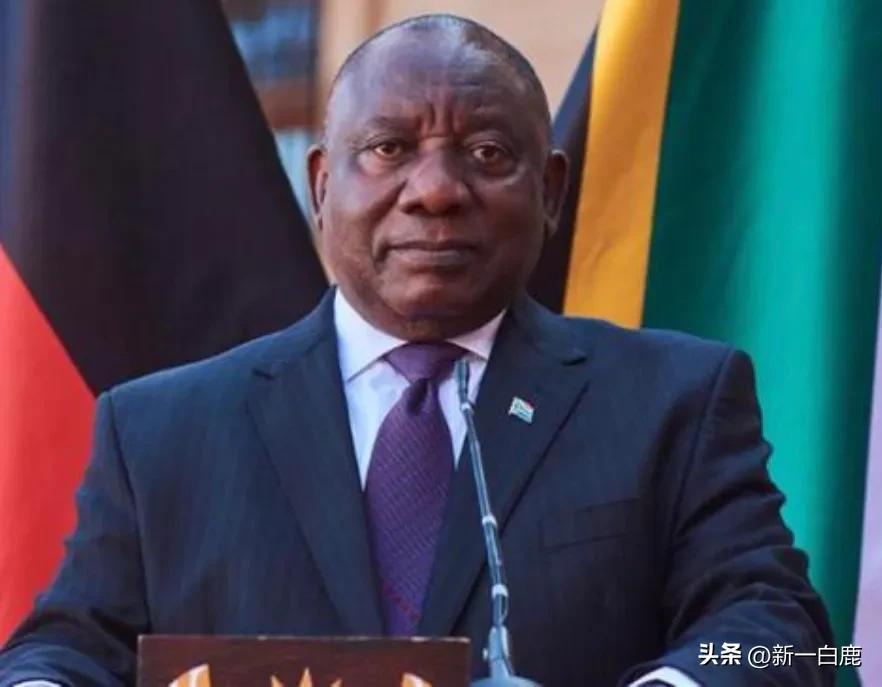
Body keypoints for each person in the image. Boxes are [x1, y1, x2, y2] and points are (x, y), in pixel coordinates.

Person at [0, 14, 833, 687]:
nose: (435, 191)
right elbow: (66, 648)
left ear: (550, 192)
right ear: (323, 185)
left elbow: (788, 635)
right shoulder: (160, 431)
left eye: (487, 154)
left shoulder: (674, 399)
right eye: (389, 149)